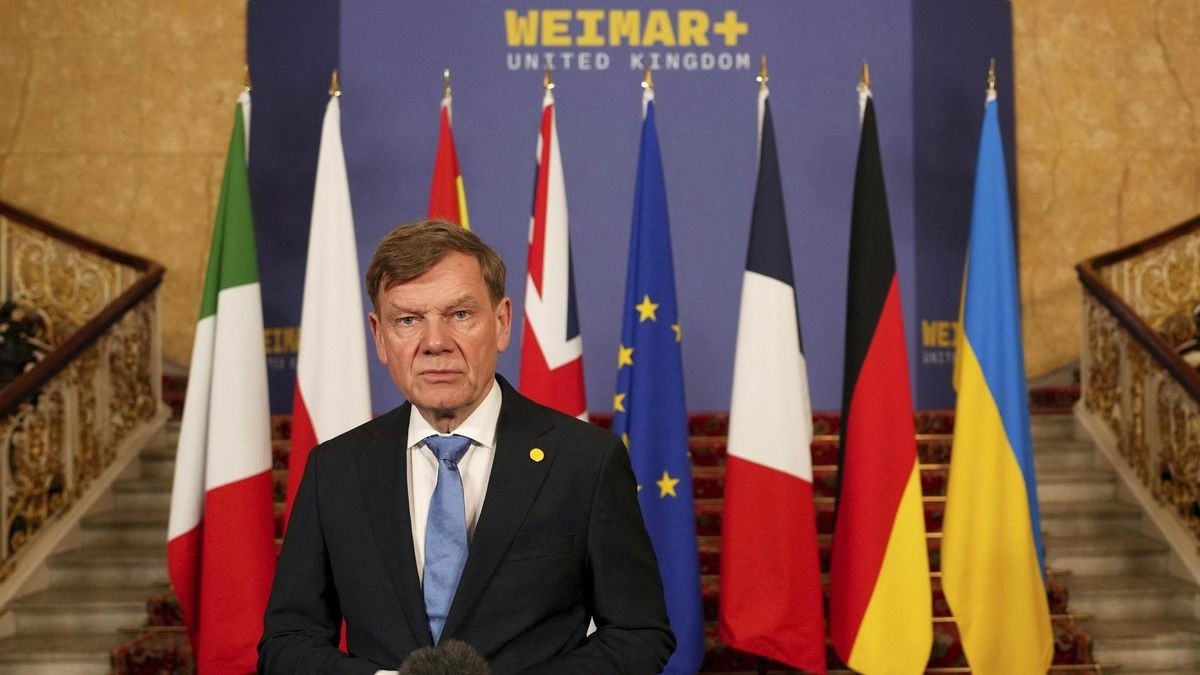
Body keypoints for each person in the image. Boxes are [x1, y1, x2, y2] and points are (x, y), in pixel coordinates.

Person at [259, 219, 675, 675]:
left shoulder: (585, 460)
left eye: (459, 314)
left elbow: (639, 634)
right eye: (408, 320)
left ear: (501, 322)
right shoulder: (336, 469)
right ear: (379, 335)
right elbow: (287, 642)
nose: (435, 343)